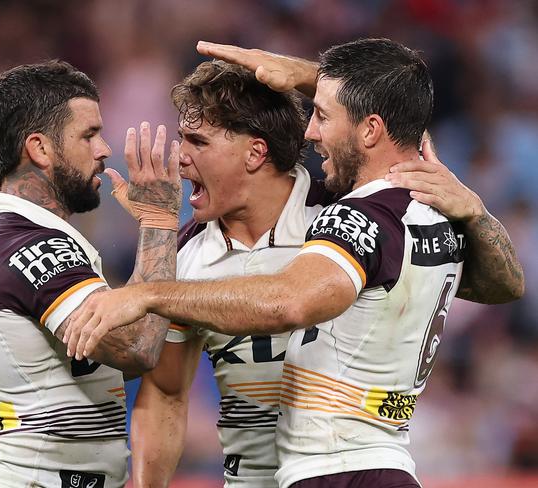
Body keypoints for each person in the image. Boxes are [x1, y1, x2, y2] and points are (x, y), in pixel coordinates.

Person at [121, 48, 525, 488]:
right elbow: (166, 394)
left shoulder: (344, 213)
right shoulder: (185, 257)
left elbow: (394, 120)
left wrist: (474, 212)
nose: (178, 158)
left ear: (255, 152)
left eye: (197, 142)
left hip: (339, 469)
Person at [0, 60, 181, 488]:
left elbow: (109, 351)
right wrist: (158, 222)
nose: (104, 150)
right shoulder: (33, 247)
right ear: (40, 148)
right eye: (88, 135)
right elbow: (137, 348)